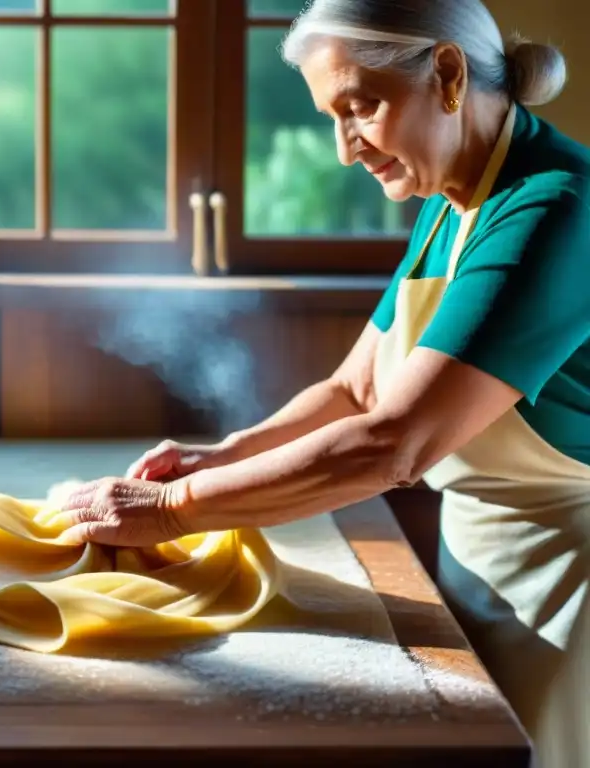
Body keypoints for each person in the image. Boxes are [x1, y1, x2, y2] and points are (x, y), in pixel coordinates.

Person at [57, 1, 589, 765]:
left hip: (568, 593)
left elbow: (394, 443)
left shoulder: (556, 207)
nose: (347, 150)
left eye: (360, 107)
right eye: (332, 117)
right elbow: (355, 390)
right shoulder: (451, 202)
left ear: (445, 73)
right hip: (475, 568)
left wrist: (173, 511)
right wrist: (222, 457)